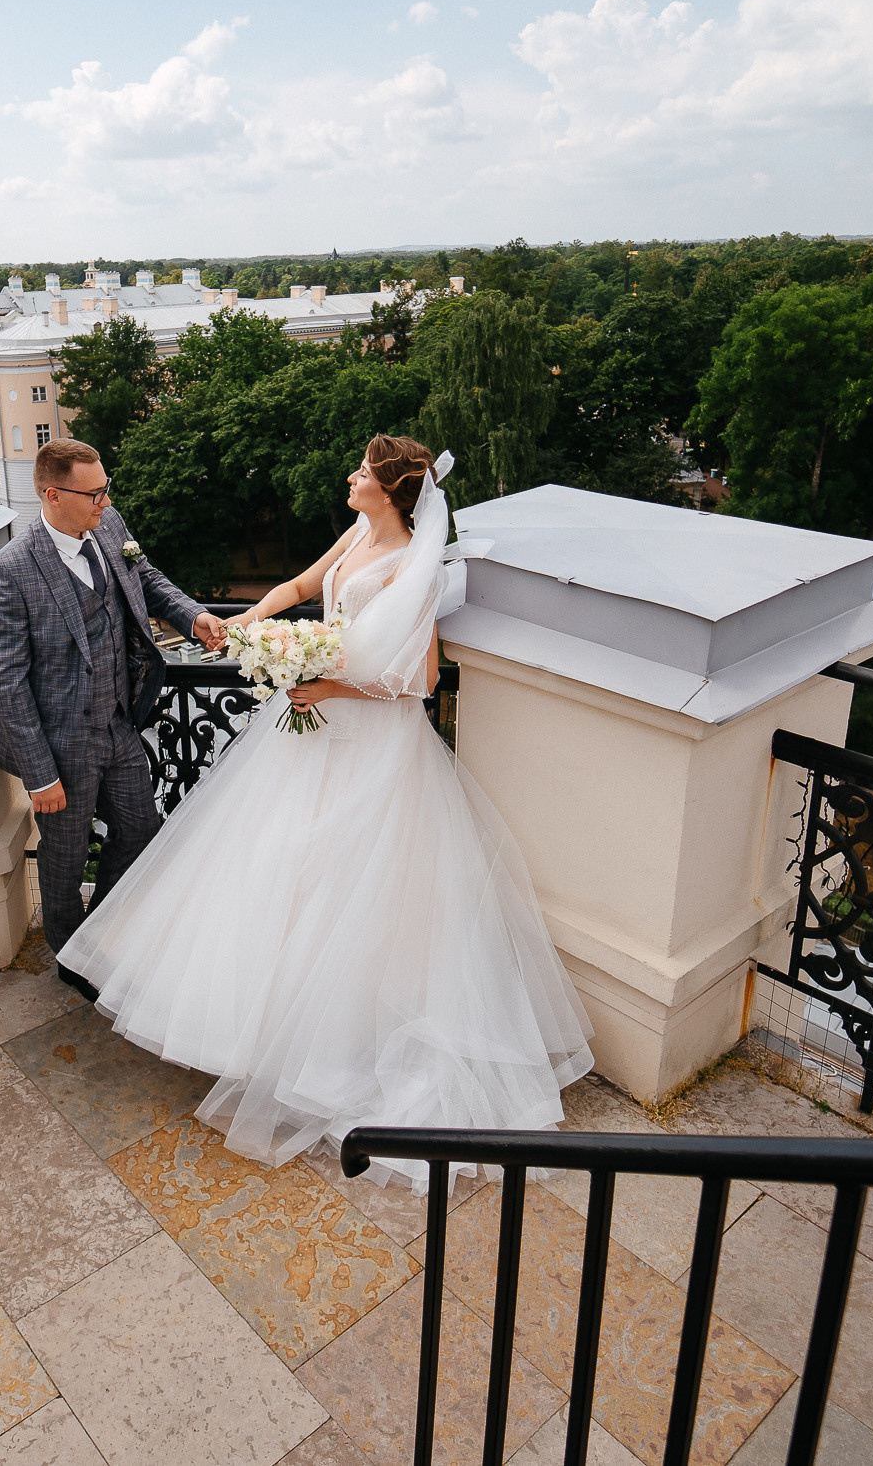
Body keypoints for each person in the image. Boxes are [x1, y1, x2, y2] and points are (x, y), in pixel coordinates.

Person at [60, 435, 592, 1188]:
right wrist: (255, 627)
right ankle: (266, 1032)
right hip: (312, 734)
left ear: (390, 491)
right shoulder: (359, 534)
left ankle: (337, 1045)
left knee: (354, 894)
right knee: (283, 869)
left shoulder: (416, 564)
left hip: (374, 745)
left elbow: (422, 680)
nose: (350, 475)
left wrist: (329, 688)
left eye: (363, 472)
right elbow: (304, 583)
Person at [0, 438, 228, 1001]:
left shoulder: (109, 526)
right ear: (53, 494)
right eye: (95, 493)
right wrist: (39, 775)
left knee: (140, 828)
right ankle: (70, 955)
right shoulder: (7, 571)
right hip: (60, 740)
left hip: (118, 720)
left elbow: (148, 579)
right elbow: (9, 682)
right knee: (64, 852)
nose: (106, 502)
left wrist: (195, 617)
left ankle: (102, 931)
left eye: (107, 489)